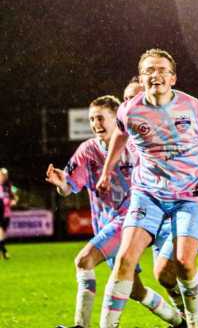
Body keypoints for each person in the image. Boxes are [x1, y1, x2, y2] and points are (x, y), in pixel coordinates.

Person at [95, 49, 198, 328]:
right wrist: (107, 171)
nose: (154, 75)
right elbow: (120, 136)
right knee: (125, 260)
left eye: (161, 70)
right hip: (148, 194)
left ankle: (196, 321)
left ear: (172, 77)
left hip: (191, 195)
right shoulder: (129, 109)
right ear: (142, 78)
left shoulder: (191, 105)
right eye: (148, 70)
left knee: (182, 263)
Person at [45, 95, 184, 328]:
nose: (95, 124)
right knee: (135, 291)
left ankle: (81, 325)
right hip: (106, 224)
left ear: (117, 119)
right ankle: (179, 321)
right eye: (91, 119)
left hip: (132, 220)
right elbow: (69, 188)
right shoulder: (88, 150)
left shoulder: (136, 146)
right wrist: (61, 184)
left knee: (84, 261)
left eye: (100, 118)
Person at [125, 76, 198, 328]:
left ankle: (194, 323)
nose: (133, 103)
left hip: (188, 200)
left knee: (180, 264)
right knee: (163, 275)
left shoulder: (176, 120)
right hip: (153, 206)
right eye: (127, 98)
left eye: (136, 97)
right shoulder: (130, 134)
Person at [0, 167, 19, 260]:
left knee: (3, 234)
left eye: (5, 175)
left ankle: (3, 252)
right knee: (0, 233)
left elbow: (16, 195)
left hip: (6, 213)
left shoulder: (9, 186)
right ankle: (4, 252)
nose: (3, 177)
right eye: (2, 175)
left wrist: (14, 201)